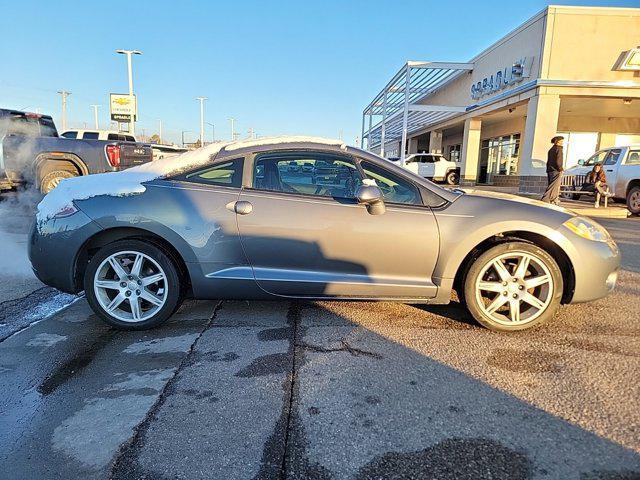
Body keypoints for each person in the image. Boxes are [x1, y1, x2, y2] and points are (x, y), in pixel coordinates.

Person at [541, 136, 564, 204]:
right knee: (554, 186)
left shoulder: (551, 149)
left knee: (553, 185)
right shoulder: (559, 149)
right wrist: (560, 169)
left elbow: (549, 161)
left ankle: (554, 199)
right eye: (562, 141)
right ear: (558, 141)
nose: (562, 142)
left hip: (550, 170)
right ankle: (545, 199)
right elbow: (558, 161)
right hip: (556, 170)